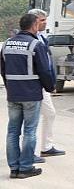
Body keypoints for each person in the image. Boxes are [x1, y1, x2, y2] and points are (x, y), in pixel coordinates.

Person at [1, 13, 55, 179]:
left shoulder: (7, 44)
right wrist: (50, 87)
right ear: (33, 26)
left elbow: (3, 70)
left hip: (13, 94)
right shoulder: (35, 44)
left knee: (12, 132)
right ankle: (25, 167)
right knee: (30, 131)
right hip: (31, 94)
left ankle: (14, 168)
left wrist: (10, 86)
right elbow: (45, 70)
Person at [28, 9, 66, 160]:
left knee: (50, 113)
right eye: (42, 20)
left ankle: (46, 147)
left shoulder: (43, 37)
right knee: (30, 120)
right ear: (34, 21)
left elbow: (47, 62)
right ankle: (28, 153)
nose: (45, 23)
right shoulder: (28, 39)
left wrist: (51, 82)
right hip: (33, 84)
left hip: (43, 84)